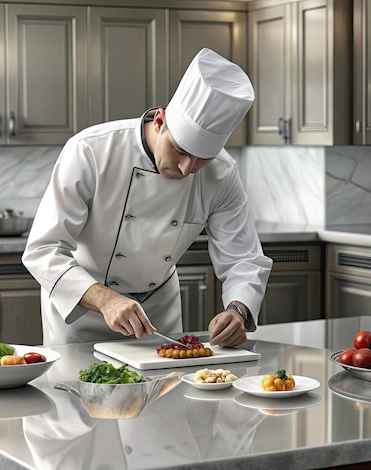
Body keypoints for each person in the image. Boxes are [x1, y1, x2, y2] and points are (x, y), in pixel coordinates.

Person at [22, 48, 272, 347]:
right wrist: (106, 300)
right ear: (160, 121)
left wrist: (238, 310)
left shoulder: (222, 172)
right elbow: (43, 249)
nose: (187, 169)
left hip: (156, 314)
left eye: (203, 159)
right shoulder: (91, 150)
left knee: (163, 390)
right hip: (82, 308)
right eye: (181, 151)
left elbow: (242, 257)